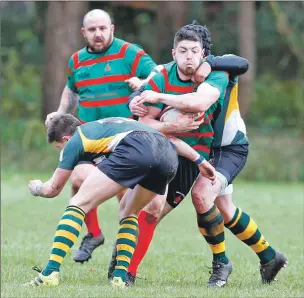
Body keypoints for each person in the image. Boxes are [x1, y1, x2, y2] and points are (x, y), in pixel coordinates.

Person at [110, 22, 287, 287]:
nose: (190, 56)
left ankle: (221, 265)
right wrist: (138, 97)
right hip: (193, 147)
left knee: (202, 195)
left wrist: (156, 97)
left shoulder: (221, 70)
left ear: (205, 53)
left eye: (196, 50)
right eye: (184, 50)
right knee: (220, 209)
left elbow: (201, 100)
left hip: (228, 147)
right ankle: (270, 257)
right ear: (174, 52)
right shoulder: (167, 73)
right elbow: (143, 112)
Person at [25, 114, 218, 288]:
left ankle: (50, 273)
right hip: (168, 156)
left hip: (138, 148)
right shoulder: (112, 124)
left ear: (66, 139)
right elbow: (168, 140)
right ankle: (119, 278)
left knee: (78, 203)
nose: (64, 151)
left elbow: (53, 189)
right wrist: (199, 161)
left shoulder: (78, 138)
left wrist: (36, 188)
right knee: (129, 211)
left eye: (61, 147)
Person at [44, 9, 157, 263]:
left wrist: (143, 82)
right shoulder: (76, 60)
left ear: (112, 29)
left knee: (124, 197)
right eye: (92, 30)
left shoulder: (129, 52)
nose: (98, 34)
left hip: (125, 138)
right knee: (78, 179)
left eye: (103, 29)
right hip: (91, 137)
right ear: (84, 32)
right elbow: (71, 89)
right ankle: (94, 235)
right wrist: (59, 113)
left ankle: (124, 253)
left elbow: (158, 73)